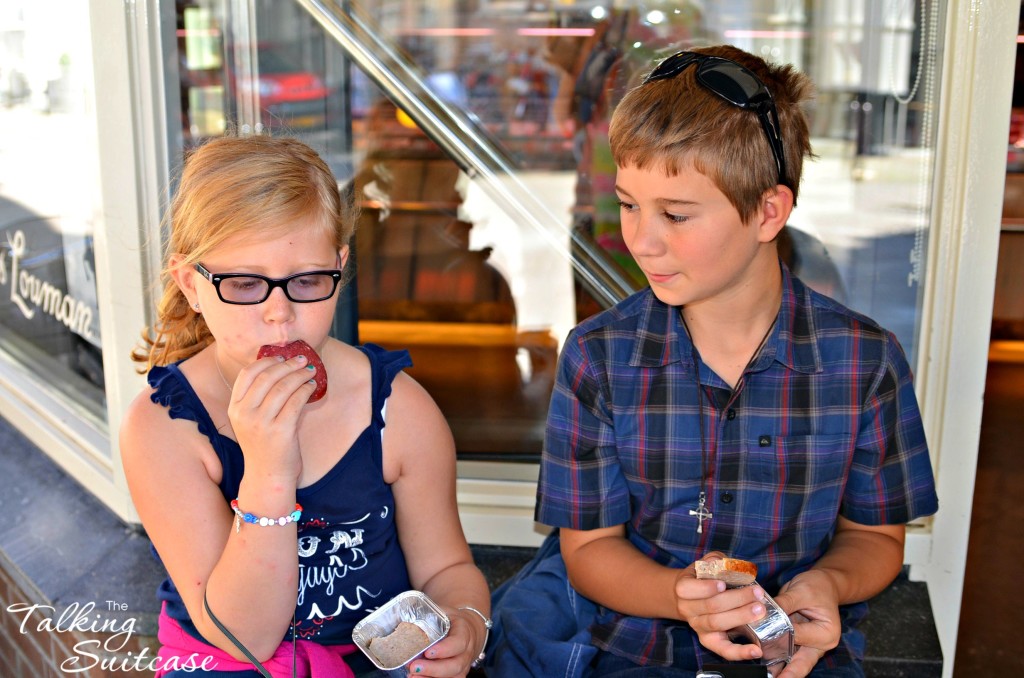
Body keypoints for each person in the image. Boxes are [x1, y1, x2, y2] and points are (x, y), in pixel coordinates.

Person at [486, 44, 938, 677]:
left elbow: (876, 537)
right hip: (633, 652)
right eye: (628, 203)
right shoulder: (599, 357)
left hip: (802, 653)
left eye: (675, 214)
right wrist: (678, 597)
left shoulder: (865, 363)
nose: (639, 240)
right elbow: (588, 549)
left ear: (768, 212)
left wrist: (828, 584)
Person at [120, 134, 491, 678]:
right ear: (191, 285)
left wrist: (467, 623)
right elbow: (244, 637)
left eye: (307, 281)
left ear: (340, 268)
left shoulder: (396, 410)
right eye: (244, 284)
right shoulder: (165, 429)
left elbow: (449, 567)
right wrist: (269, 467)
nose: (280, 314)